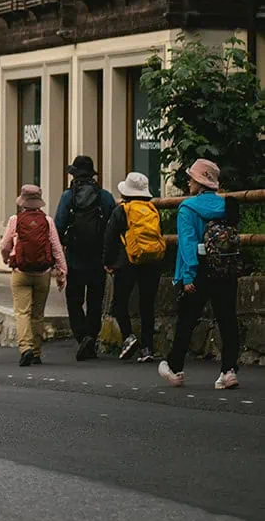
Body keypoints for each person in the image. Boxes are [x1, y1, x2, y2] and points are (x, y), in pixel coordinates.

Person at [159, 158, 242, 391]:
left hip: (199, 270)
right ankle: (228, 370)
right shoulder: (227, 206)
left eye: (191, 178)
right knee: (227, 320)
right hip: (225, 268)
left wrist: (188, 276)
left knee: (186, 321)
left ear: (199, 182)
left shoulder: (188, 208)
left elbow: (187, 245)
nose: (188, 182)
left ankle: (175, 368)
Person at [55, 155, 115, 360]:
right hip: (99, 257)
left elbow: (58, 225)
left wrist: (59, 254)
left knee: (74, 299)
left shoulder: (68, 197)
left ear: (74, 175)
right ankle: (92, 335)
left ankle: (82, 337)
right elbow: (113, 226)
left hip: (75, 256)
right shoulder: (105, 197)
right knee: (95, 301)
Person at [103, 171, 166, 362]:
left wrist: (108, 262)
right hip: (152, 261)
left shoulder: (122, 209)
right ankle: (147, 348)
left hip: (127, 261)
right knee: (147, 305)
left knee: (119, 303)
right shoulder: (152, 209)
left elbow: (110, 236)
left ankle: (128, 337)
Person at [0, 185, 66, 366]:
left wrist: (7, 259)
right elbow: (56, 248)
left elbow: (4, 245)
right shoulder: (47, 221)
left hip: (20, 272)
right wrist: (62, 272)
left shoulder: (15, 219)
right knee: (37, 314)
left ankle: (26, 348)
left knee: (22, 312)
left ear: (22, 201)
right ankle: (36, 352)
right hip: (43, 273)